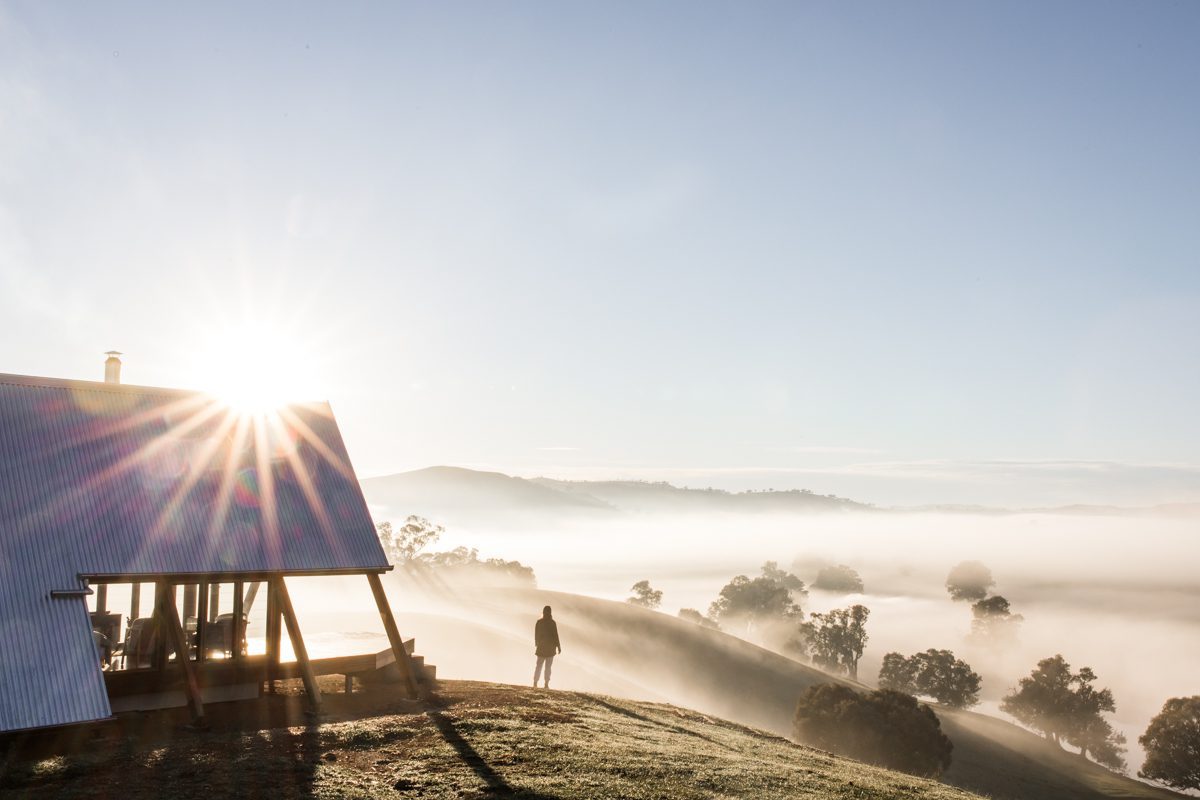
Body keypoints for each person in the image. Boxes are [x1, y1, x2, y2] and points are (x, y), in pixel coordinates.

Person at [533, 605, 561, 688]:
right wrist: (558, 646)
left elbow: (536, 634)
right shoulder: (552, 623)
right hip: (550, 649)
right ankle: (545, 683)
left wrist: (537, 643)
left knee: (539, 666)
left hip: (542, 648)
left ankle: (536, 682)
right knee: (547, 667)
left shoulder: (539, 622)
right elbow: (556, 635)